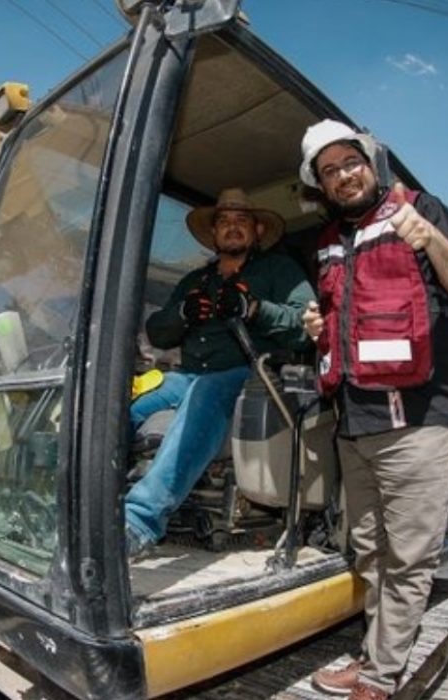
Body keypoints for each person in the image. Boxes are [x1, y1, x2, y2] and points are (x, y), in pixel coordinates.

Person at [299, 120, 448, 700]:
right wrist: (316, 326)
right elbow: (345, 325)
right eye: (328, 171)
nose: (342, 176)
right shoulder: (328, 240)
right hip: (355, 423)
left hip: (421, 420)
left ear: (369, 162)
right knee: (370, 551)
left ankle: (381, 678)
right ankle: (375, 655)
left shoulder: (420, 208)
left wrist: (428, 236)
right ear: (321, 184)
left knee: (408, 556)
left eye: (349, 162)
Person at [125, 187, 315, 558]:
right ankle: (93, 502)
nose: (232, 227)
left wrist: (256, 309)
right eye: (223, 221)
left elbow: (305, 326)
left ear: (257, 230)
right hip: (186, 375)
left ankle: (137, 523)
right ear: (214, 234)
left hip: (249, 375)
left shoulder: (280, 271)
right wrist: (182, 314)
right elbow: (157, 332)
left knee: (206, 393)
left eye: (241, 220)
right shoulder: (196, 281)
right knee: (123, 407)